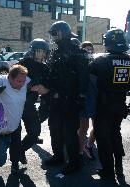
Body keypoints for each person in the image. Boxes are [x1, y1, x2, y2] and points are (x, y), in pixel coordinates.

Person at [38, 21, 89, 175]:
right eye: (52, 34)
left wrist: (80, 97)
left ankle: (75, 162)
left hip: (70, 100)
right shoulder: (55, 52)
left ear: (64, 32)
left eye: (56, 33)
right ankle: (58, 157)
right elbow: (51, 73)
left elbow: (83, 77)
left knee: (69, 132)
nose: (54, 37)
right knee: (54, 129)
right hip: (55, 98)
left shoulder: (77, 51)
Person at [89, 29, 130, 180]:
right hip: (120, 105)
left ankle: (108, 170)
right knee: (115, 134)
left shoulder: (100, 61)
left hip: (104, 106)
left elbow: (91, 85)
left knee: (103, 138)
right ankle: (119, 167)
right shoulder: (128, 60)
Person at [17, 38, 50, 164]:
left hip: (29, 103)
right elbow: (14, 80)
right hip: (16, 102)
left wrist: (44, 90)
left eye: (44, 51)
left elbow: (48, 86)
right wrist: (31, 86)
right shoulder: (23, 63)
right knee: (15, 133)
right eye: (39, 51)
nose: (41, 54)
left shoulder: (45, 67)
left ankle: (20, 150)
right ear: (33, 51)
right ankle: (15, 160)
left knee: (35, 132)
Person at [77, 41, 97, 160]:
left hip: (95, 99)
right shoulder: (79, 63)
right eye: (86, 50)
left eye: (90, 49)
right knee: (83, 127)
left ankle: (88, 145)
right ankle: (79, 152)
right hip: (84, 99)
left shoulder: (97, 63)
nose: (89, 52)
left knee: (97, 127)